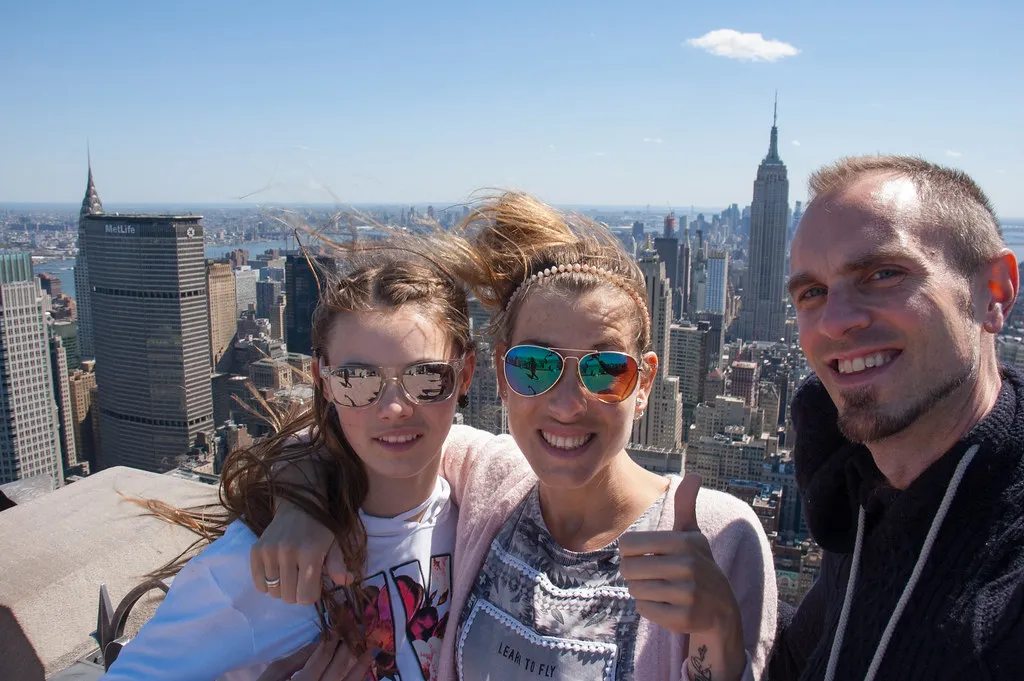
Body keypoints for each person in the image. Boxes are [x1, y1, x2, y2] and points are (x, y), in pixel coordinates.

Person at [256, 192, 777, 681]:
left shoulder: (718, 534)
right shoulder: (490, 475)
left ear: (642, 383)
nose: (568, 403)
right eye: (535, 366)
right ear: (503, 375)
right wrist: (301, 501)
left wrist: (717, 633)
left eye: (605, 369)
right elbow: (366, 435)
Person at [102, 251, 477, 681]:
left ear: (464, 375)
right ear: (324, 382)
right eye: (357, 380)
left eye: (426, 377)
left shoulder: (481, 519)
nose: (393, 407)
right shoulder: (263, 563)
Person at [768, 155, 1024, 680]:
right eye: (812, 292)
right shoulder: (859, 501)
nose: (837, 321)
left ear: (994, 291)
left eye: (884, 273)